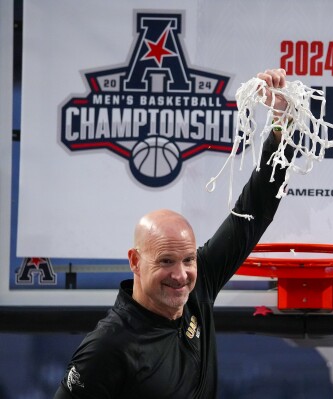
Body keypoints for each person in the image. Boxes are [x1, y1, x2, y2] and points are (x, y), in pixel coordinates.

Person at [54, 68, 291, 399]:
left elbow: (253, 212)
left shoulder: (199, 284)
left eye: (188, 259)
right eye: (166, 260)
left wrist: (280, 125)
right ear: (135, 261)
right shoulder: (106, 348)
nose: (181, 275)